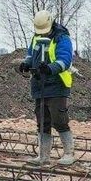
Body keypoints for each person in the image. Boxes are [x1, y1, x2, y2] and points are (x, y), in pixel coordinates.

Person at [16, 10, 75, 166]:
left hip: (57, 85)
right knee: (42, 120)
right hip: (39, 85)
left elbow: (65, 60)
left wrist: (50, 68)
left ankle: (69, 153)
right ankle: (43, 156)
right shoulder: (36, 37)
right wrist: (26, 64)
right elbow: (31, 55)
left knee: (59, 119)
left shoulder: (62, 38)